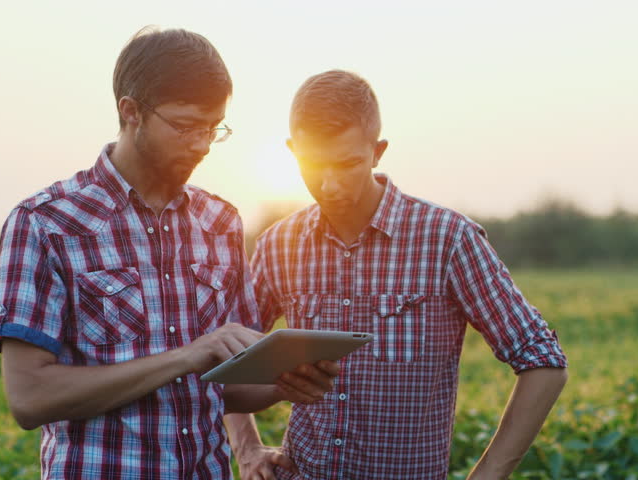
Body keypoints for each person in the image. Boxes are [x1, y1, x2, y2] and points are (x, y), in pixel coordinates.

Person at [0, 27, 338, 480]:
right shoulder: (46, 224)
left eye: (213, 128)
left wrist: (283, 383)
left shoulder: (219, 222)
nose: (201, 145)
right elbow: (30, 398)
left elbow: (225, 388)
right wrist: (186, 356)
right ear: (130, 111)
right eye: (185, 126)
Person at [225, 70, 569, 479]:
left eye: (347, 163)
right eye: (313, 164)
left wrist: (487, 474)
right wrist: (246, 449)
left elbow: (543, 361)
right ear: (292, 150)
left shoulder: (446, 239)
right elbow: (224, 364)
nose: (330, 184)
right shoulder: (279, 244)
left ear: (378, 151)